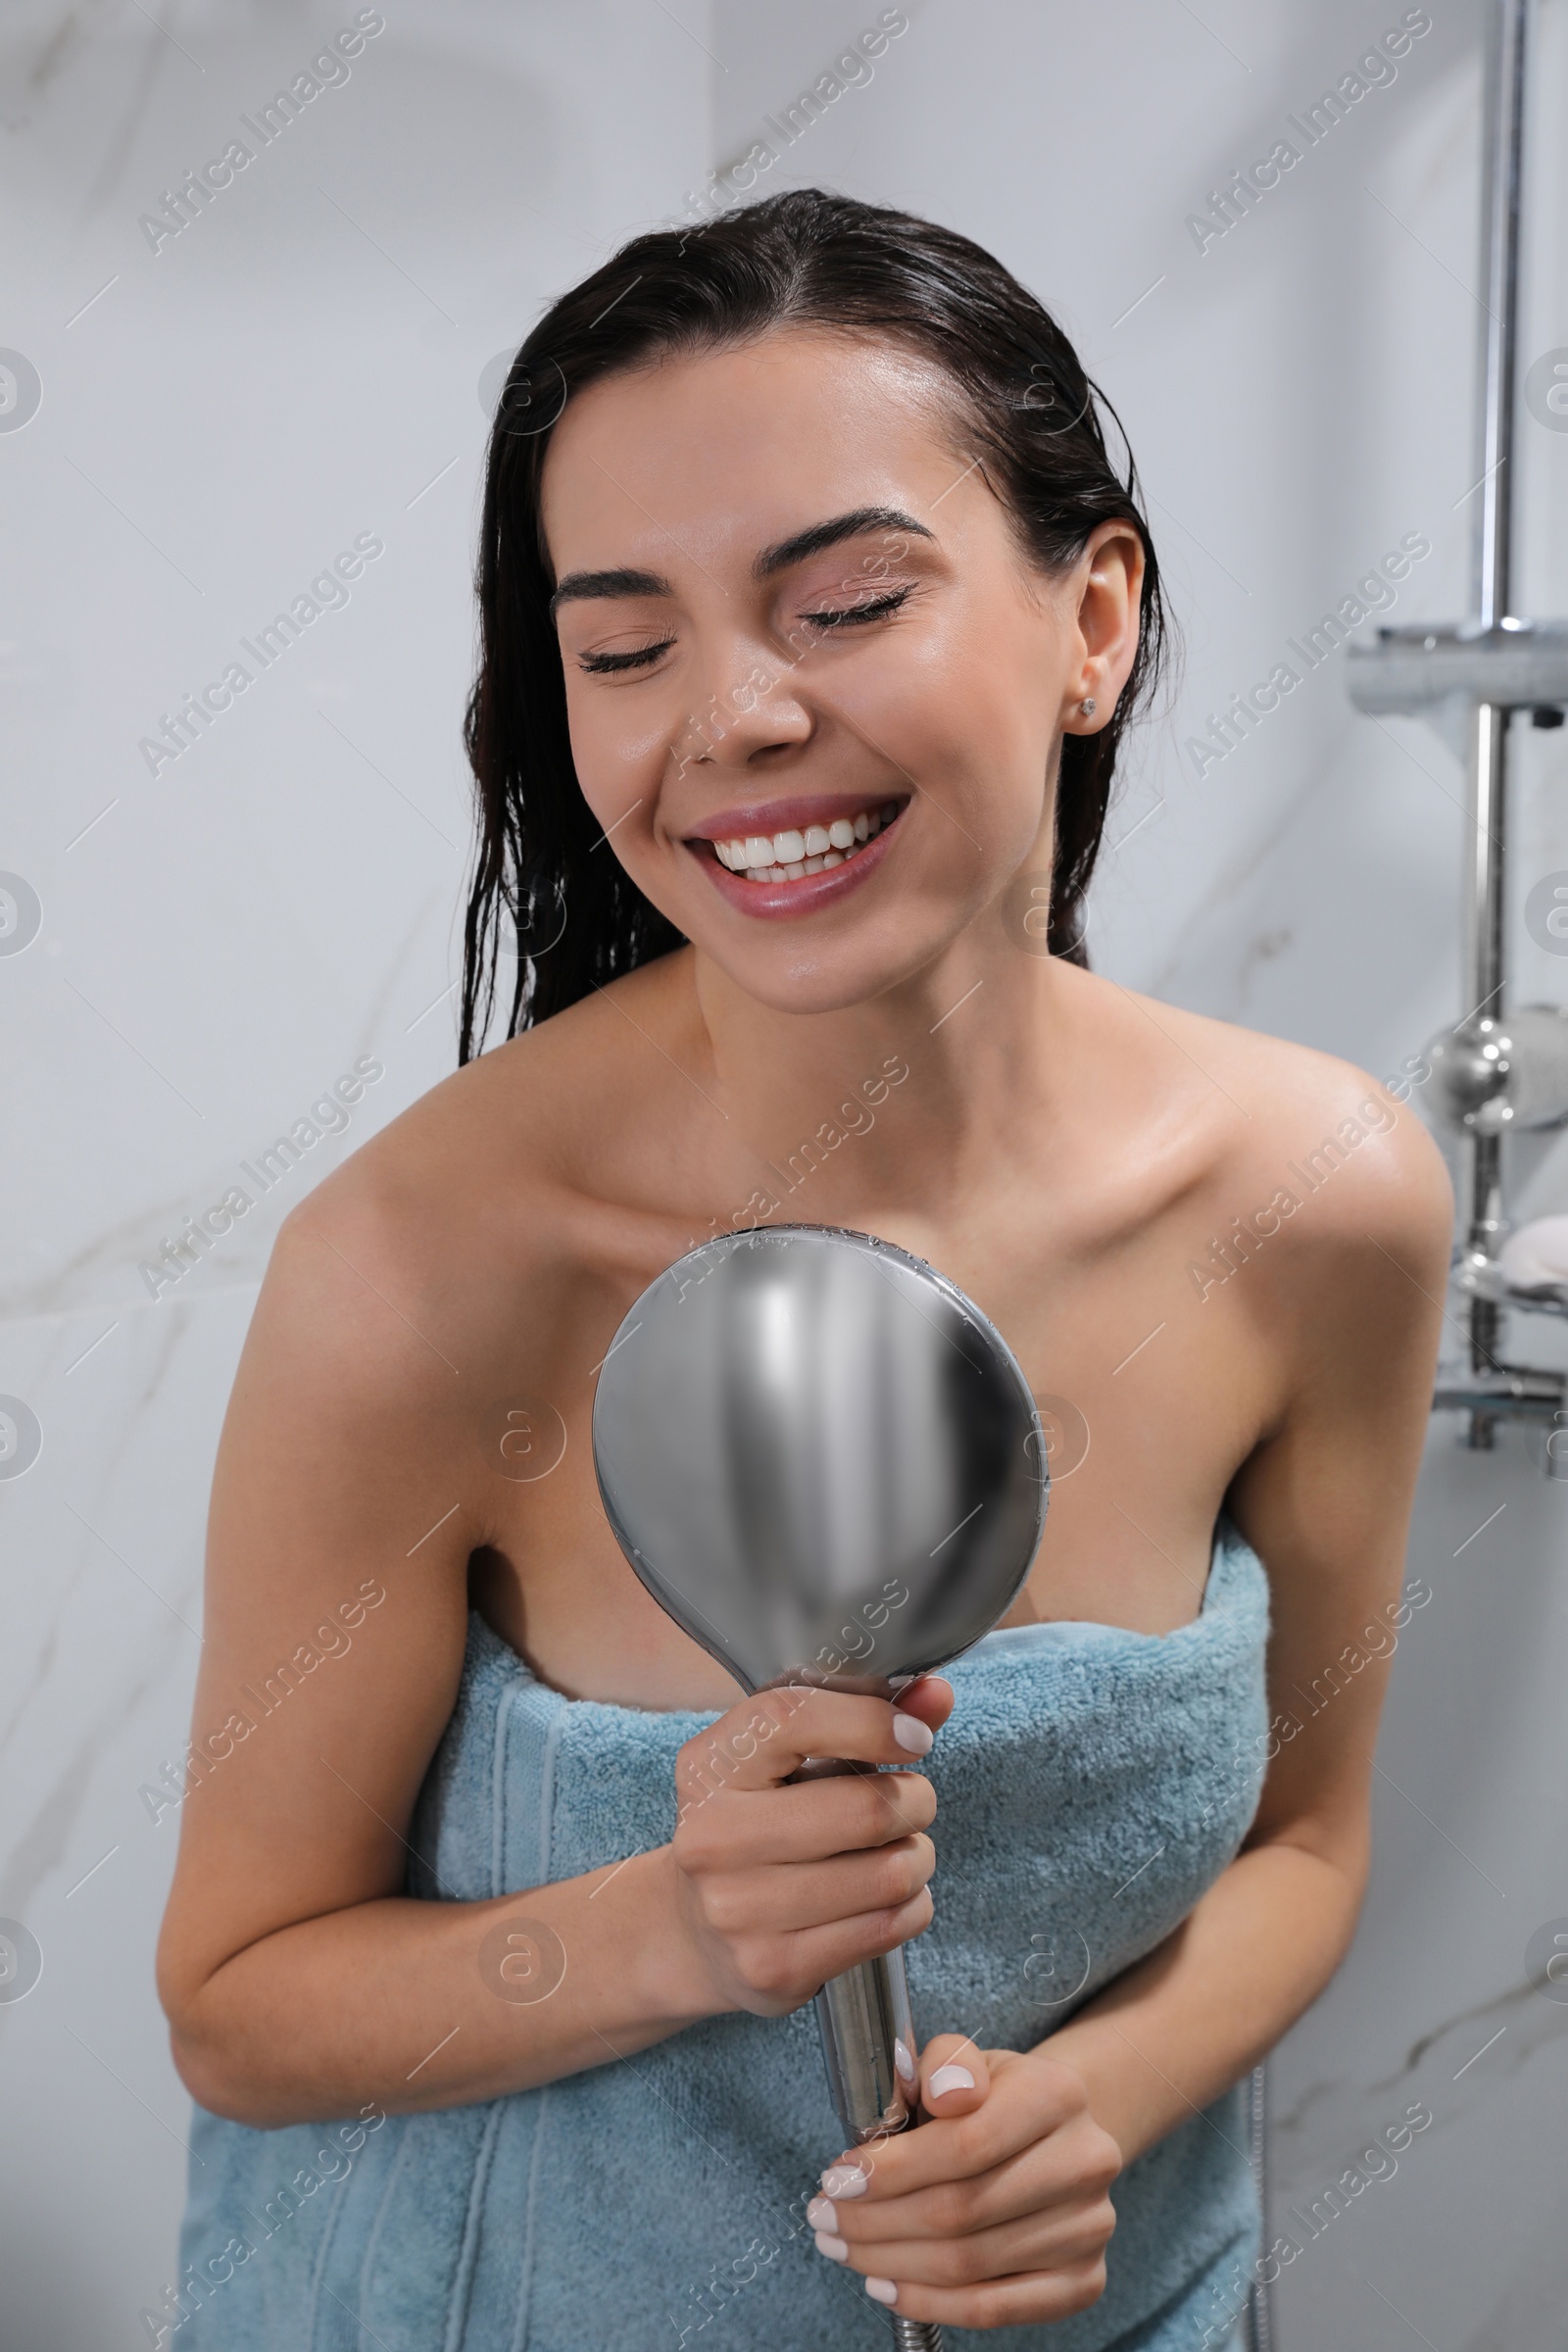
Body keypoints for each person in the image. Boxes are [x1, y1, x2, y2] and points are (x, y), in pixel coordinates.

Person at [156, 189, 1448, 2349]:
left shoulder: (1317, 1200)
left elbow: (1303, 1848)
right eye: (624, 647)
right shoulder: (429, 1267)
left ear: (1092, 619)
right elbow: (237, 2007)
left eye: (844, 601)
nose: (731, 719)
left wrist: (1083, 2114)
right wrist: (669, 1924)